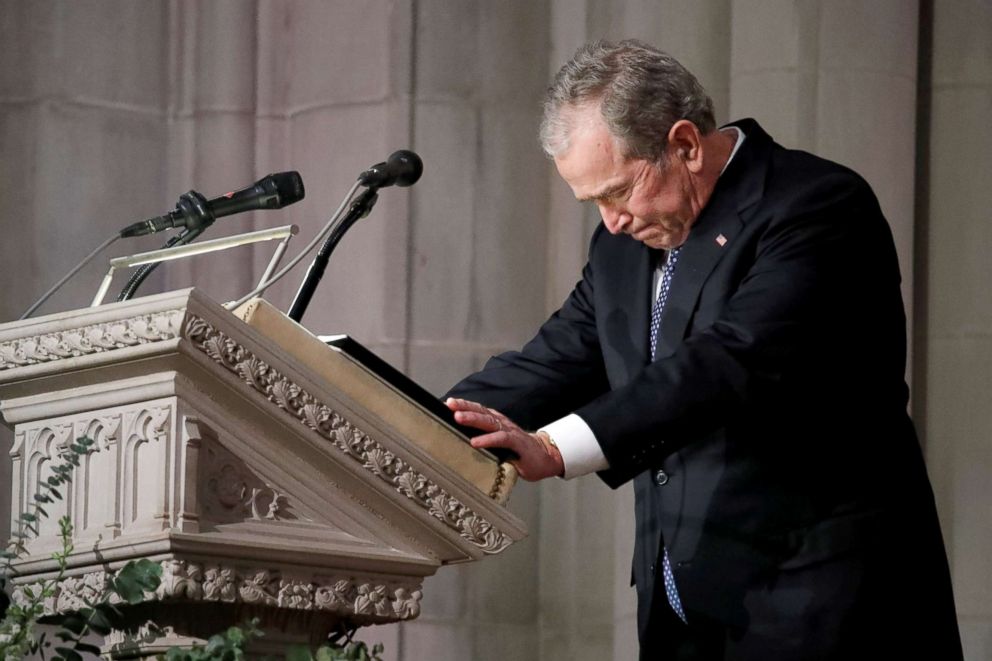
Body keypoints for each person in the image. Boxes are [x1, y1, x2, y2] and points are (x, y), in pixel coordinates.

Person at [444, 40, 962, 660]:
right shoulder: (621, 245)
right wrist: (417, 421)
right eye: (594, 203)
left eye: (617, 192)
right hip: (685, 609)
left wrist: (554, 449)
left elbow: (729, 361)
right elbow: (558, 355)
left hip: (820, 599)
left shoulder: (815, 204)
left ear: (685, 144)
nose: (611, 221)